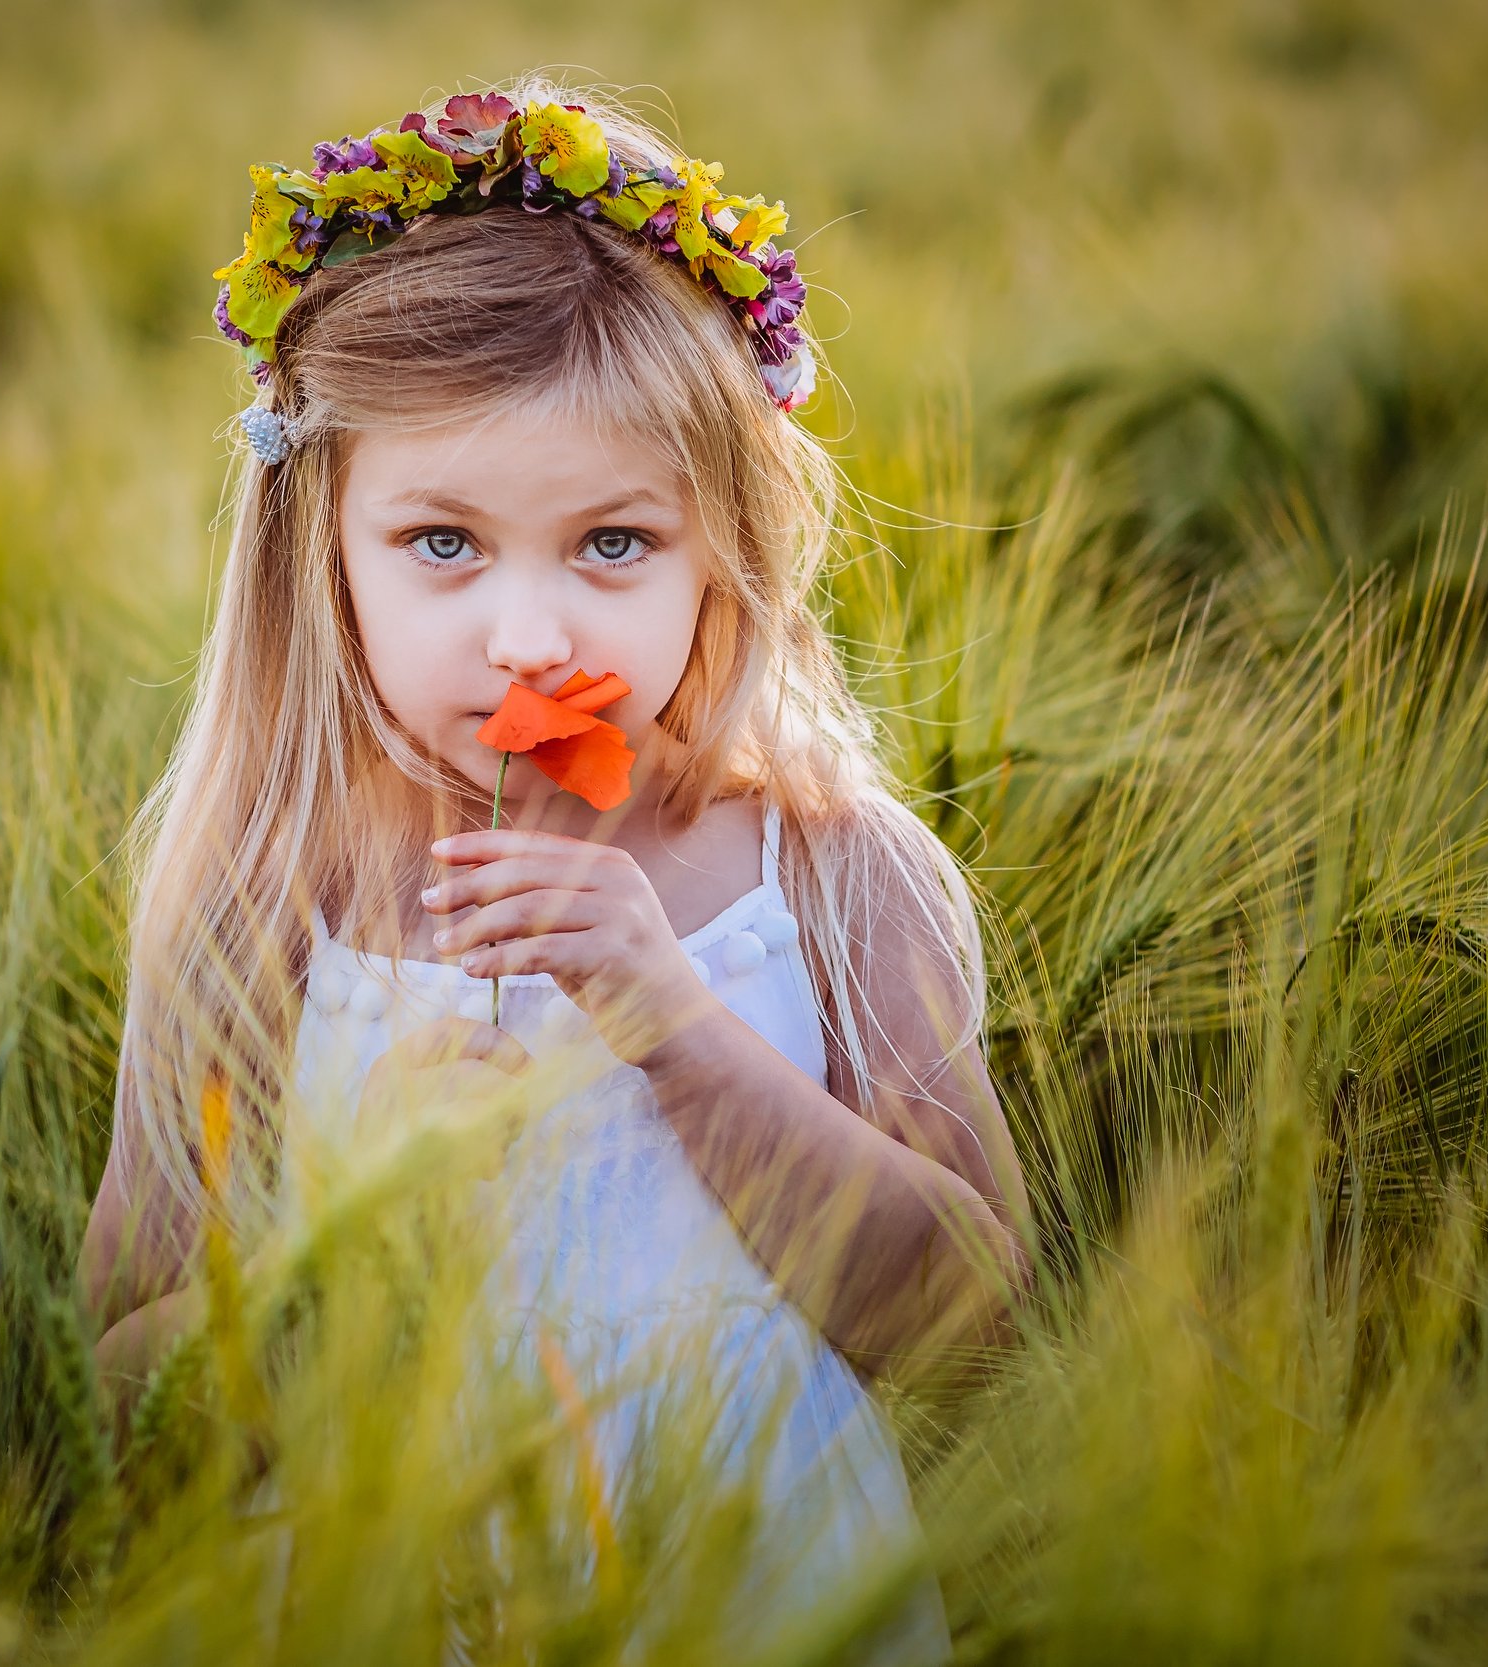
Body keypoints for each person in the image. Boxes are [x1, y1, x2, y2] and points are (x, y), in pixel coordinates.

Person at [78, 74, 1033, 1662]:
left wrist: (671, 1022)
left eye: (612, 545)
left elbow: (972, 1325)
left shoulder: (830, 873)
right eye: (442, 544)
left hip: (754, 1593)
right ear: (322, 555)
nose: (529, 636)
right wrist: (349, 1258)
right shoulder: (267, 897)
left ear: (723, 544)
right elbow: (117, 1390)